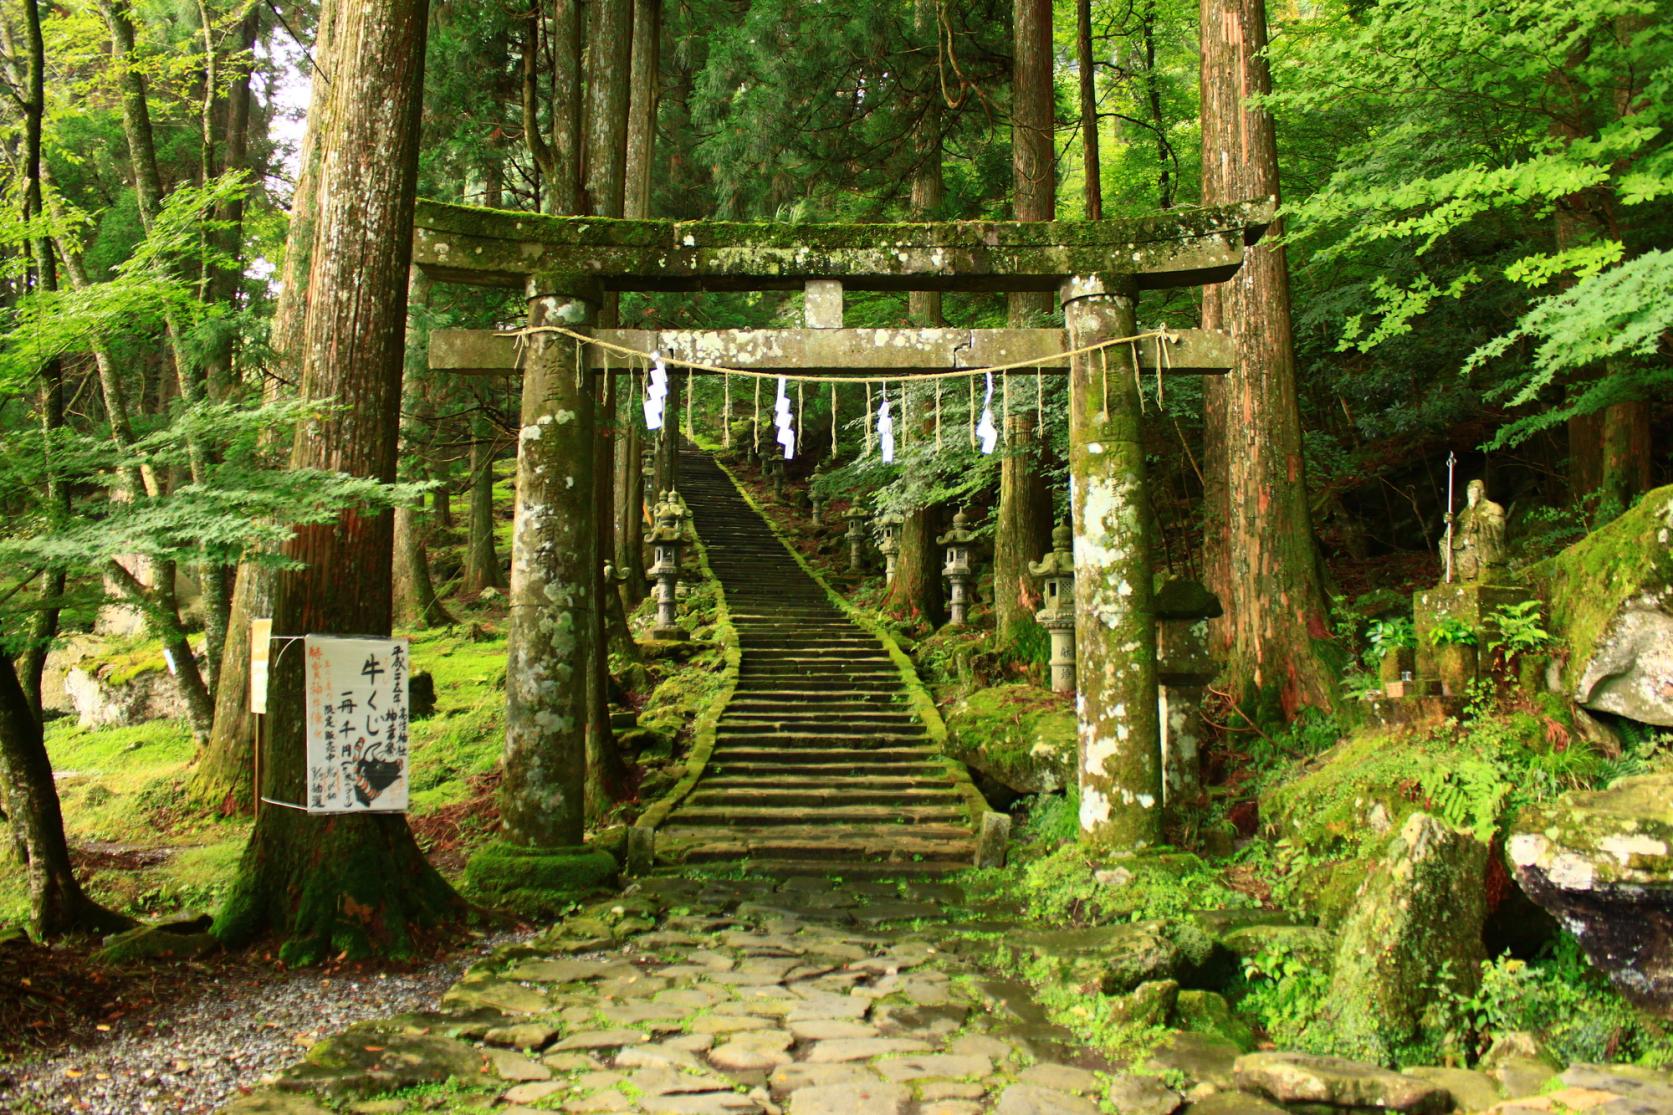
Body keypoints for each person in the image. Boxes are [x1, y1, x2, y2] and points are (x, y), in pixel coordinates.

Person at [1443, 479, 1506, 583]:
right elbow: (1456, 529)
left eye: (1473, 491)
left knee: (1471, 541)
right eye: (1469, 491)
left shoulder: (1493, 508)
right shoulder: (1465, 512)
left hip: (1481, 543)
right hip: (1462, 544)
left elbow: (1498, 529)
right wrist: (1452, 523)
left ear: (1481, 492)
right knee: (1444, 542)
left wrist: (1479, 525)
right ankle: (1451, 574)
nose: (1470, 494)